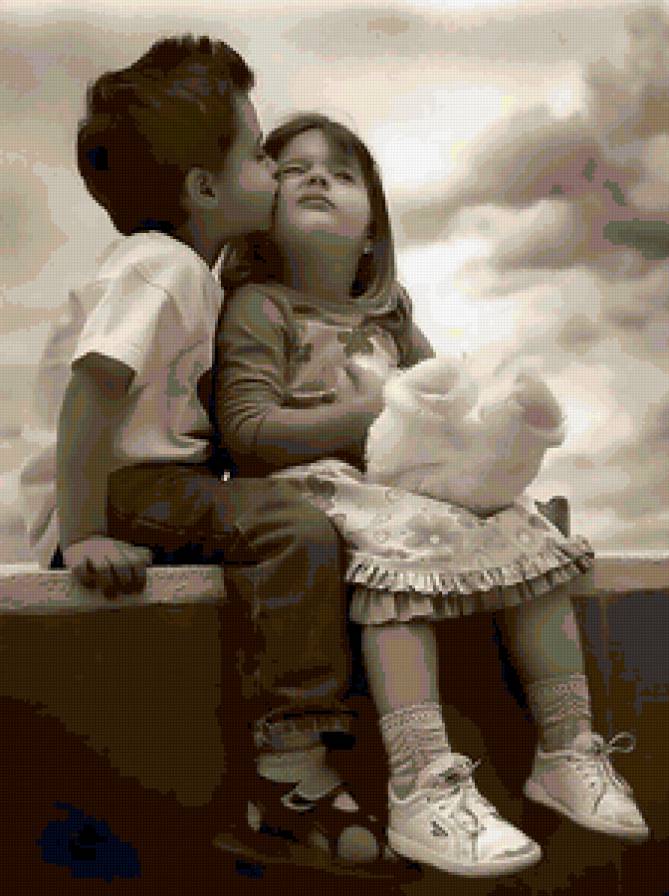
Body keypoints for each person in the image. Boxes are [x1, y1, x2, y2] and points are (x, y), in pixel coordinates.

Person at [215, 112, 649, 878]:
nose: (318, 179)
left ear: (371, 234)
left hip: (397, 492)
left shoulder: (392, 319)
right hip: (315, 487)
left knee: (524, 532)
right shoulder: (262, 307)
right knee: (403, 545)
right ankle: (420, 783)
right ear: (263, 215)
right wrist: (367, 414)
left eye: (341, 174)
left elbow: (444, 417)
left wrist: (496, 450)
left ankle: (567, 747)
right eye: (295, 169)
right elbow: (246, 431)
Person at [17, 39, 401, 877]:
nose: (275, 170)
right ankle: (290, 771)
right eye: (260, 155)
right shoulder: (161, 271)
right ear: (203, 188)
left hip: (152, 488)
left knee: (295, 520)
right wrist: (82, 533)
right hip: (120, 492)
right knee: (291, 528)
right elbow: (92, 394)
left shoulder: (193, 275)